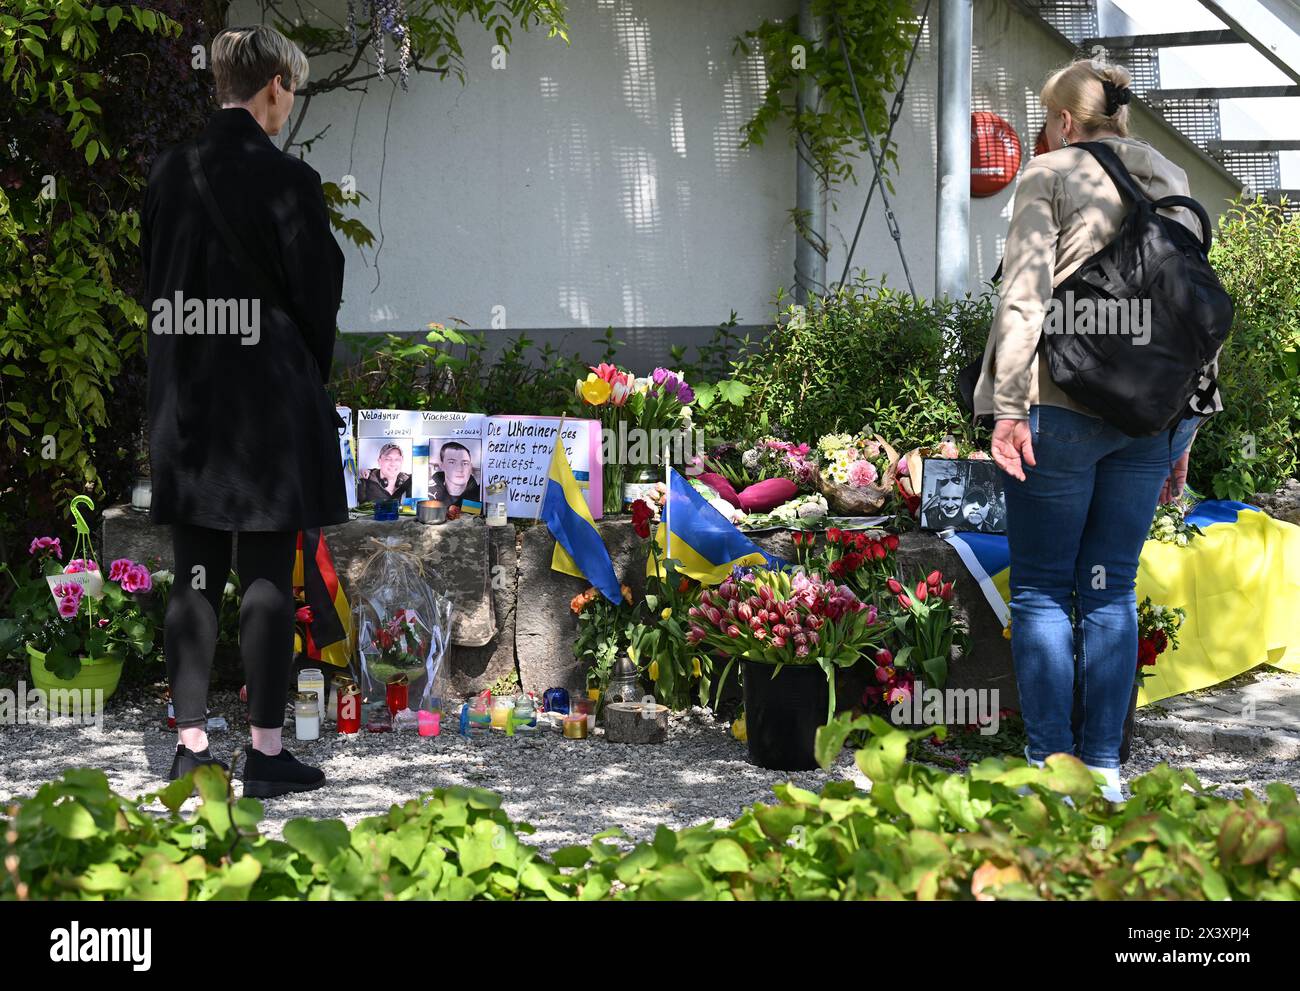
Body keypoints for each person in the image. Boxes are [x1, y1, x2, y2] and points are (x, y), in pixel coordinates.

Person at [972, 59, 1220, 802]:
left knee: (1045, 588)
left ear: (1066, 122)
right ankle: (1106, 772)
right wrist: (1183, 432)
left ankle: (1053, 768)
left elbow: (1023, 298)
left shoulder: (1049, 172)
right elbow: (1197, 315)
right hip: (1146, 416)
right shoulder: (1171, 177)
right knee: (1109, 590)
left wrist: (1008, 409)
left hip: (1061, 408)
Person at [143, 25, 346, 796]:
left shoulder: (166, 174)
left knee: (193, 576)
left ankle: (193, 747)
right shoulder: (290, 181)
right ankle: (264, 751)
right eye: (289, 89)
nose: (289, 103)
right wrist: (306, 375)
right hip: (266, 408)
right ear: (271, 87)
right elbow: (318, 298)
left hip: (189, 406)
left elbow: (154, 287)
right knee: (266, 576)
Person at [430, 441, 480, 507]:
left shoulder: (480, 493)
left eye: (465, 463)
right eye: (452, 462)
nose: (460, 469)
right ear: (442, 466)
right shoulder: (428, 491)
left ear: (470, 467)